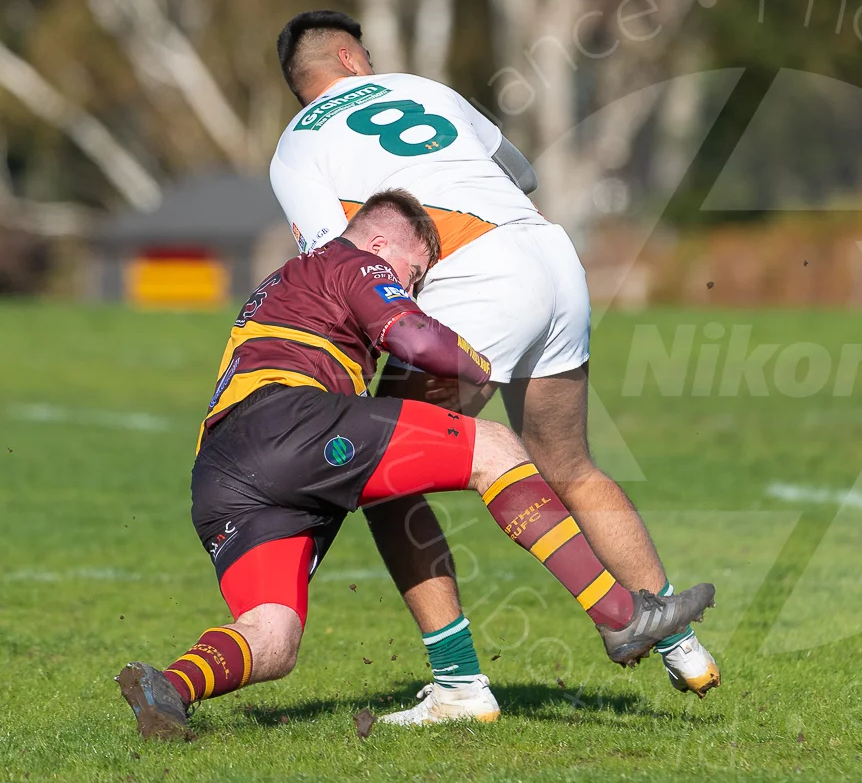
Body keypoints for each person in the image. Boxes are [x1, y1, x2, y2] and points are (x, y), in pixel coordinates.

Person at [114, 190, 715, 741]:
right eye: (415, 270)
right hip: (285, 421)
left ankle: (170, 688)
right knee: (497, 447)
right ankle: (619, 615)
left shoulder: (285, 282)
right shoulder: (357, 261)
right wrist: (478, 363)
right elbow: (413, 337)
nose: (414, 284)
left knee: (273, 637)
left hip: (220, 474)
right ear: (381, 244)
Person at [267, 10, 720, 723]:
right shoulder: (422, 88)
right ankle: (684, 648)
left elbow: (335, 262)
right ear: (354, 59)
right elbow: (524, 171)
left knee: (382, 482)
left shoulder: (296, 147)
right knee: (568, 464)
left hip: (473, 282)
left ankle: (459, 687)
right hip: (549, 256)